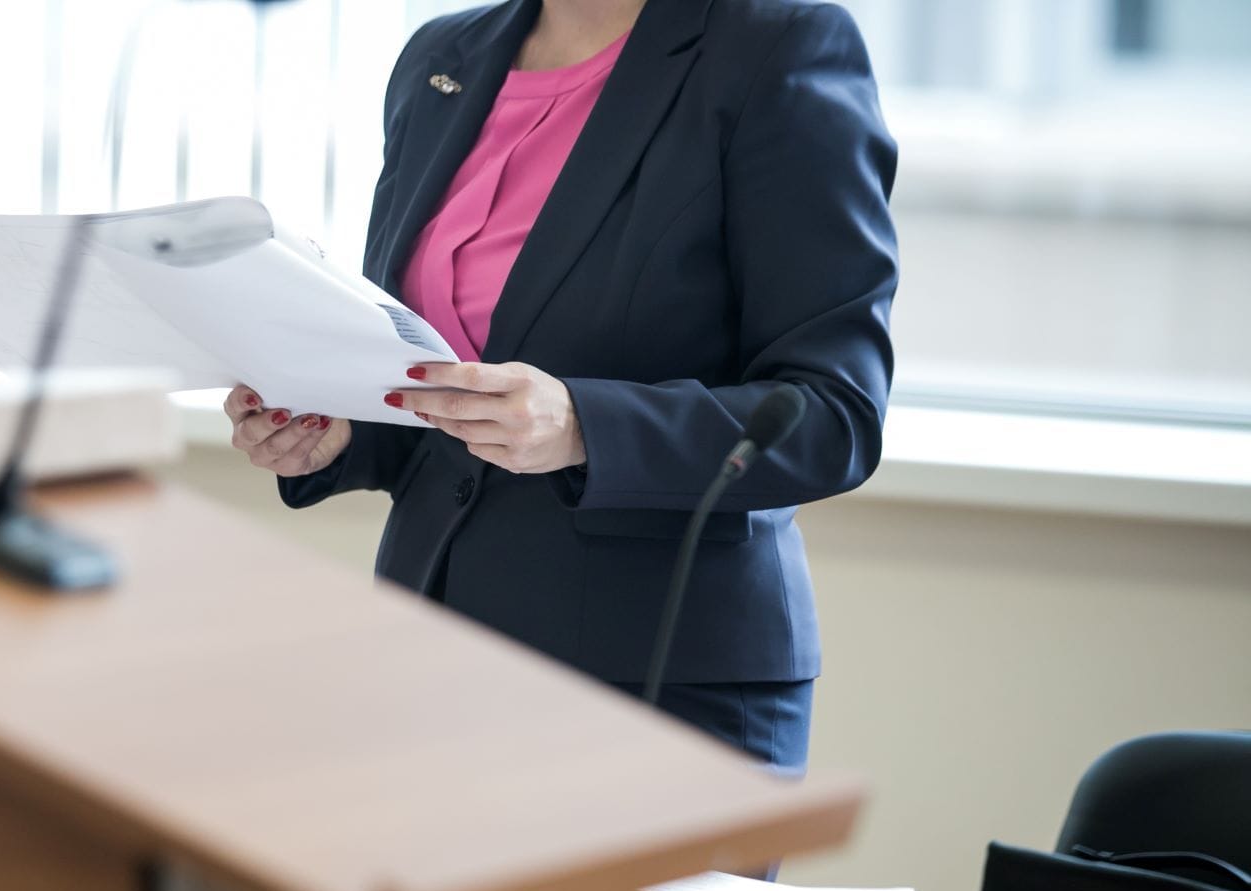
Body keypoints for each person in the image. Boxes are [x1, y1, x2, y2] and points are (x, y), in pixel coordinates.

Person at [224, 0, 898, 772]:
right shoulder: (444, 56)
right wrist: (340, 431)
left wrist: (583, 425)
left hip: (661, 689)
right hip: (435, 658)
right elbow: (435, 366)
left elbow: (834, 414)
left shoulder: (775, 46)